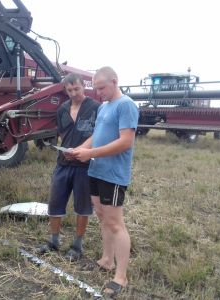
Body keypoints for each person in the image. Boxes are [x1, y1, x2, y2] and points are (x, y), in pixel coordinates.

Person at [71, 66, 138, 297]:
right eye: (96, 88)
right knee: (101, 216)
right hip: (96, 171)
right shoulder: (104, 107)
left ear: (114, 81)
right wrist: (81, 148)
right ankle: (107, 260)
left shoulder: (126, 105)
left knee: (115, 223)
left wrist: (91, 153)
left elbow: (125, 142)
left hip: (113, 174)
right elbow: (96, 135)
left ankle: (121, 276)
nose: (98, 93)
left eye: (101, 88)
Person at [37, 73, 100, 261]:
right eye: (70, 90)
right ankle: (54, 241)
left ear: (84, 87)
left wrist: (81, 149)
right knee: (55, 202)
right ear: (65, 90)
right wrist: (63, 149)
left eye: (77, 89)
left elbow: (99, 133)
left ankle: (77, 245)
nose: (73, 93)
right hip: (63, 163)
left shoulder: (96, 108)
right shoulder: (62, 109)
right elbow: (61, 134)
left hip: (84, 165)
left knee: (83, 206)